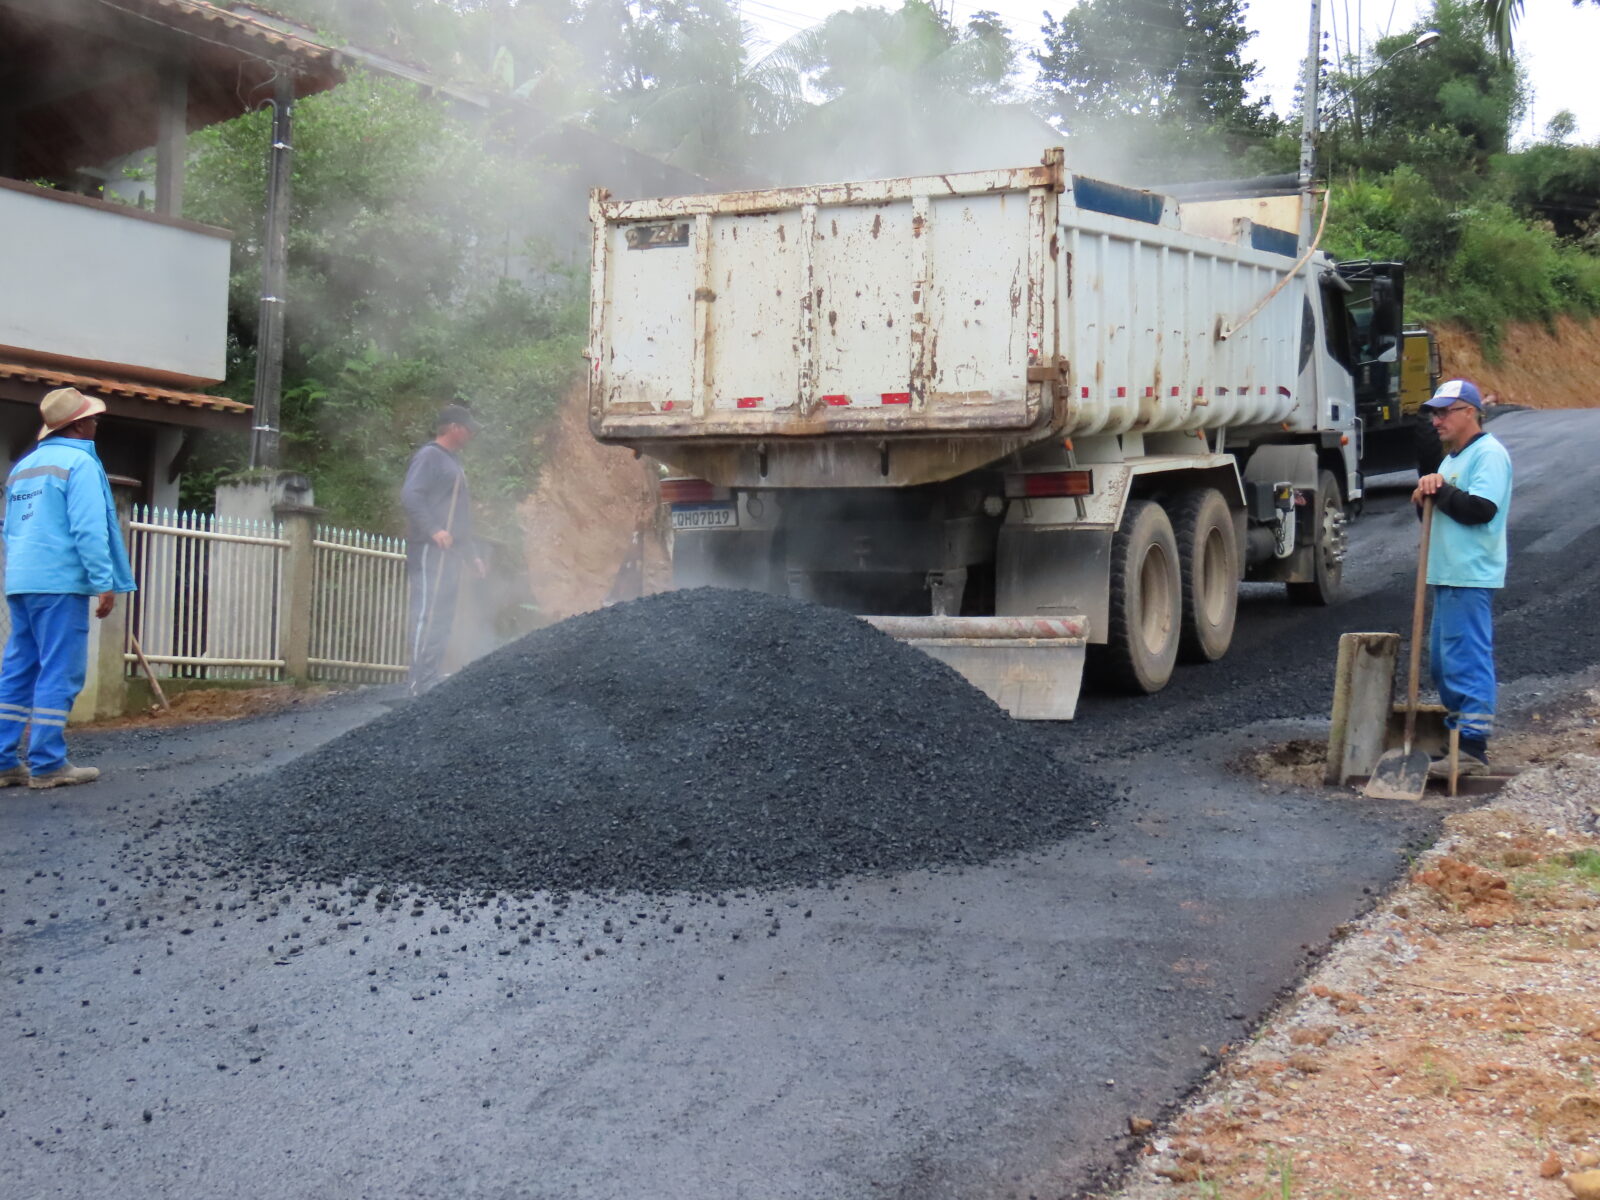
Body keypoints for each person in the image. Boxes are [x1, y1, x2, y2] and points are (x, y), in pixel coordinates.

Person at [0, 387, 137, 789]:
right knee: (60, 669)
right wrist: (104, 581)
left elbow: (11, 529)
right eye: (93, 419)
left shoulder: (24, 467)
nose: (97, 424)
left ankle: (4, 760)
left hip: (22, 582)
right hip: (60, 584)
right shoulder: (80, 464)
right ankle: (47, 763)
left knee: (19, 669)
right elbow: (88, 528)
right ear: (77, 425)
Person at [1411, 379, 1513, 778]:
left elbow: (1482, 509)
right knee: (1443, 661)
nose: (1435, 420)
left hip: (1470, 573)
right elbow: (1435, 517)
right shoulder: (1450, 460)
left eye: (1444, 412)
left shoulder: (1487, 455)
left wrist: (1439, 492)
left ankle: (1471, 746)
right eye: (1433, 413)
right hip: (1447, 572)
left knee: (1465, 657)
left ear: (1469, 412)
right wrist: (1425, 499)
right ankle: (1459, 739)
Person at [402, 403, 484, 696]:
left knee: (443, 614)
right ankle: (418, 682)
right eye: (467, 427)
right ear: (453, 428)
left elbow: (459, 517)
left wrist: (470, 554)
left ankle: (431, 676)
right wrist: (434, 529)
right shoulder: (430, 457)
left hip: (449, 552)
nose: (471, 432)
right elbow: (411, 496)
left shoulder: (453, 462)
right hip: (429, 549)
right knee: (428, 612)